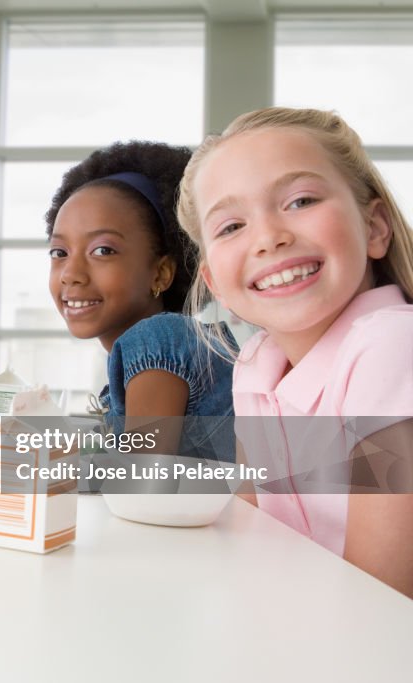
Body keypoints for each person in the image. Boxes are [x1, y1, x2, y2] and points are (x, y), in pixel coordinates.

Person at [177, 106, 413, 597]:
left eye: (301, 200)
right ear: (215, 282)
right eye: (231, 227)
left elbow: (379, 601)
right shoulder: (254, 367)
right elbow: (250, 535)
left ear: (374, 228)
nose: (269, 238)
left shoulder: (391, 345)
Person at [45, 141, 237, 461]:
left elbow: (138, 477)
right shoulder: (142, 360)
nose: (70, 274)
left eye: (103, 251)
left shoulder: (156, 339)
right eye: (59, 253)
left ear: (160, 273)